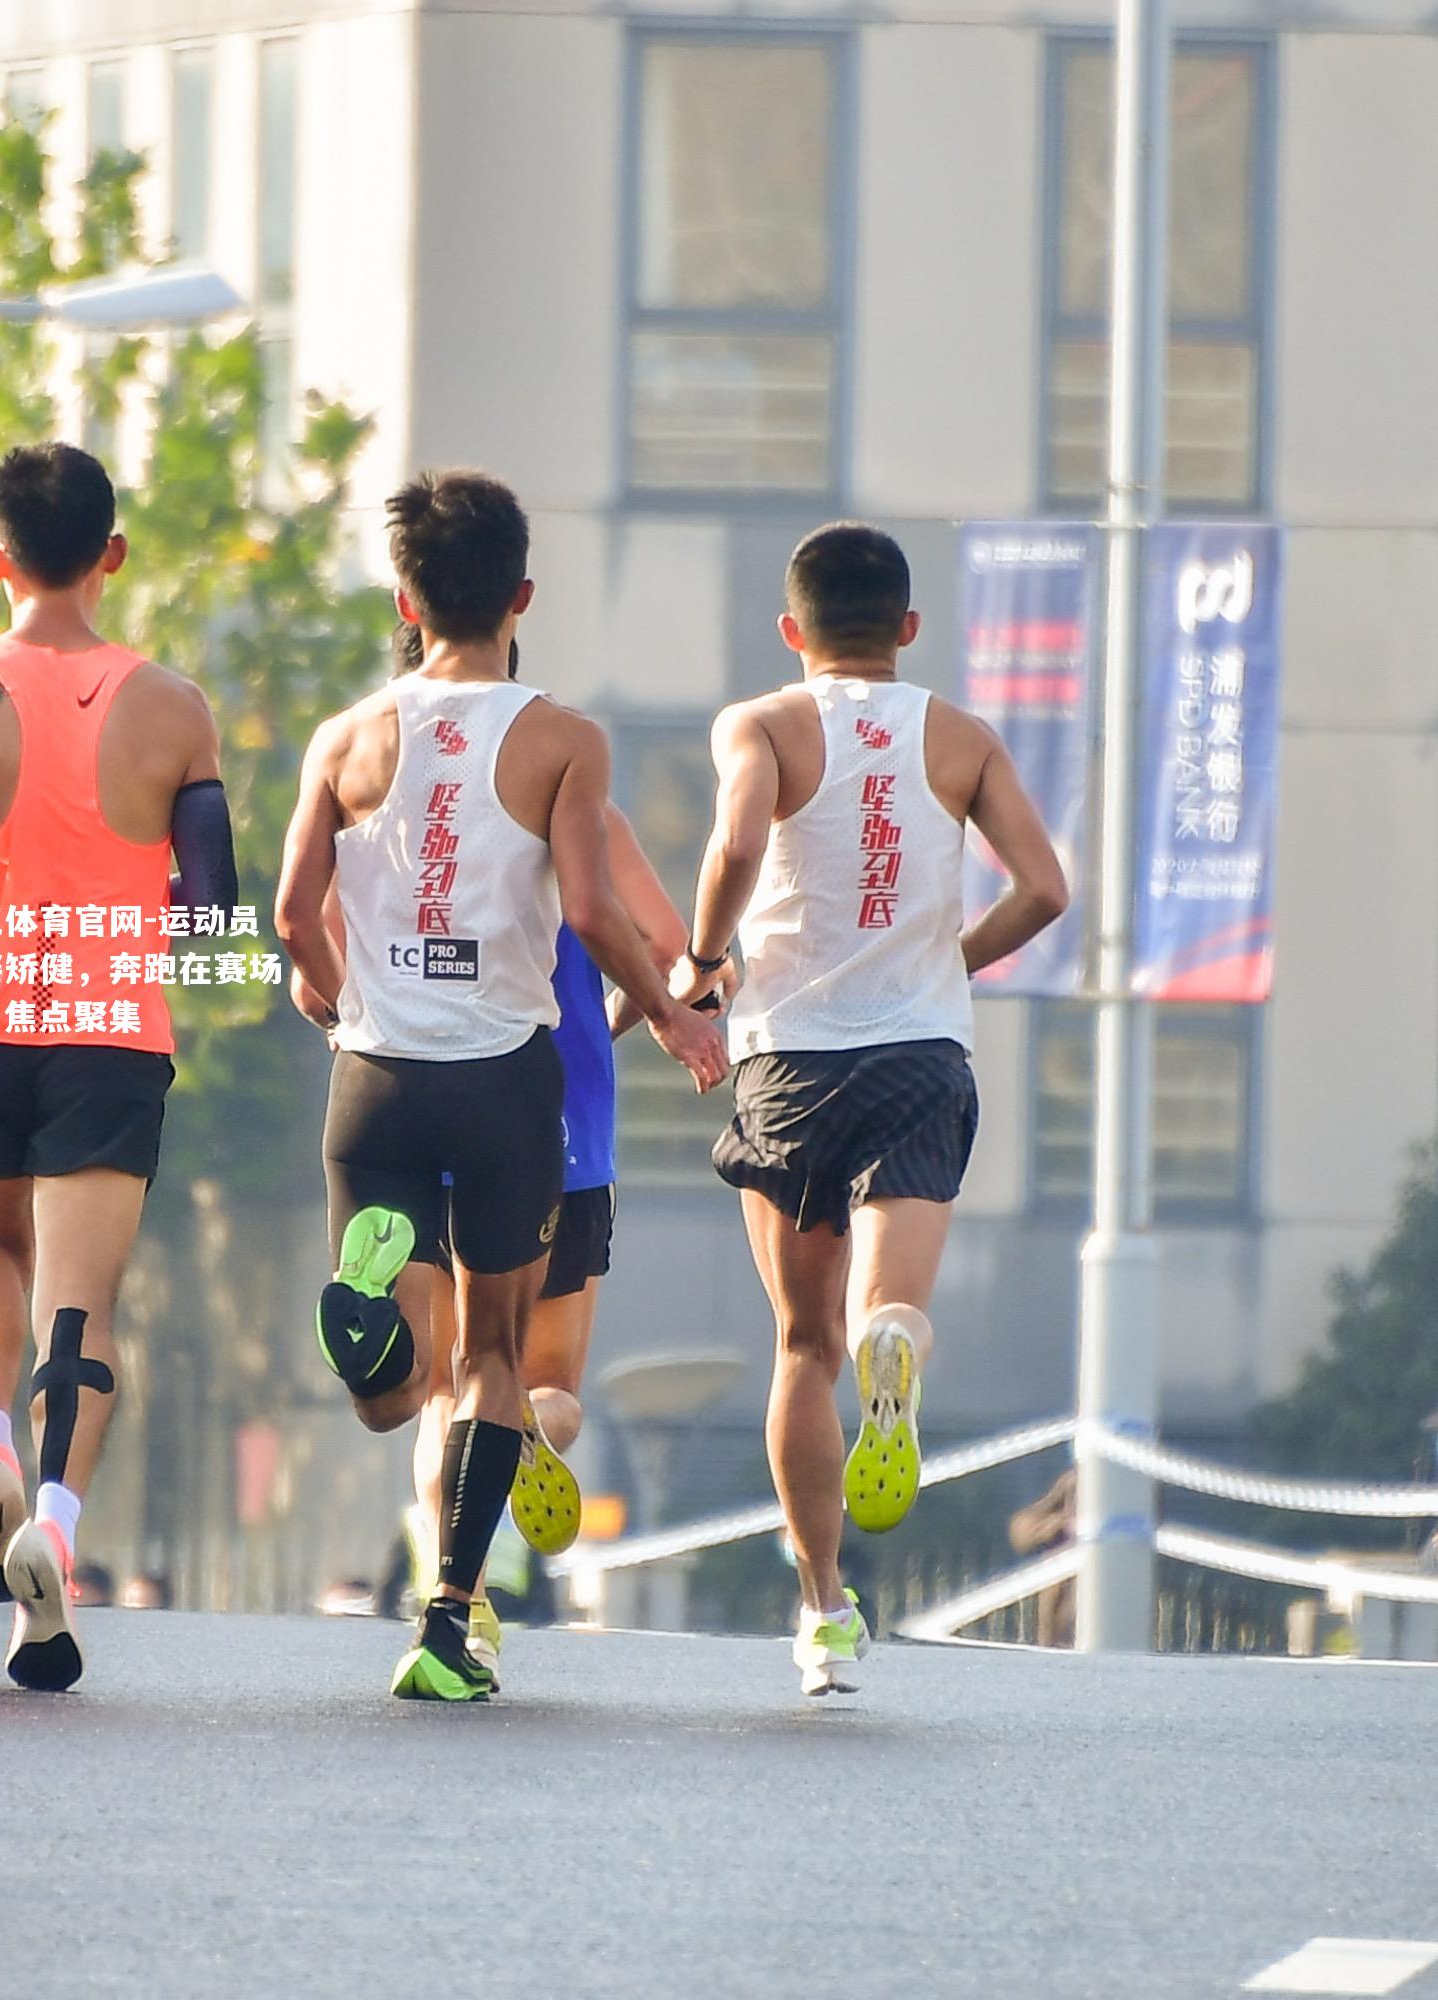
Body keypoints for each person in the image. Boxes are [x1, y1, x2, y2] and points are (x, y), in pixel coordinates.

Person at [276, 469, 729, 1702]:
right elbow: (590, 906)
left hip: (374, 1075)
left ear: (405, 597)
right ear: (521, 594)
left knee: (395, 1395)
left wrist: (329, 993)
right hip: (504, 1081)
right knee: (491, 1363)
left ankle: (364, 1282)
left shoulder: (346, 738)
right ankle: (444, 1625)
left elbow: (288, 914)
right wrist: (681, 1015)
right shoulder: (565, 739)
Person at [680, 521, 1068, 1696]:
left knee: (804, 1344)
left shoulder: (761, 723)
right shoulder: (959, 736)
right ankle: (896, 1335)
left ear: (793, 630)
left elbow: (740, 836)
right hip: (919, 1055)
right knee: (883, 1302)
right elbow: (1046, 888)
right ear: (906, 629)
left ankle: (824, 1607)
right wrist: (953, 954)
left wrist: (703, 957)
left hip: (790, 1059)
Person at [0, 441, 238, 1692]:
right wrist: (184, 991)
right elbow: (211, 897)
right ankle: (53, 1518)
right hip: (111, 1030)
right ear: (113, 555)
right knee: (85, 1308)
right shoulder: (175, 708)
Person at [379, 626, 688, 1686]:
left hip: (421, 1095)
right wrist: (617, 1016)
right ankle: (535, 1444)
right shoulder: (574, 798)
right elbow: (675, 946)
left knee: (441, 1390)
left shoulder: (383, 787)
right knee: (533, 1377)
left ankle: (450, 1590)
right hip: (563, 1115)